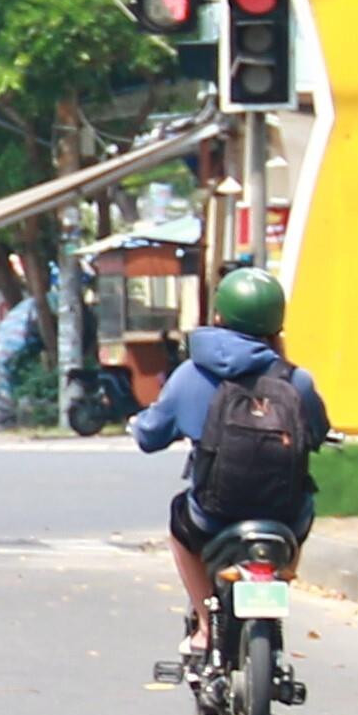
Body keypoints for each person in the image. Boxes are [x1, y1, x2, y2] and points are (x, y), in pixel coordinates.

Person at [131, 265, 333, 653]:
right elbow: (320, 431)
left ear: (220, 315)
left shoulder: (191, 375)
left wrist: (141, 426)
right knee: (307, 504)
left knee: (179, 524)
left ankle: (207, 628)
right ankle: (277, 577)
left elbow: (151, 436)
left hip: (213, 515)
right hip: (284, 517)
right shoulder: (297, 380)